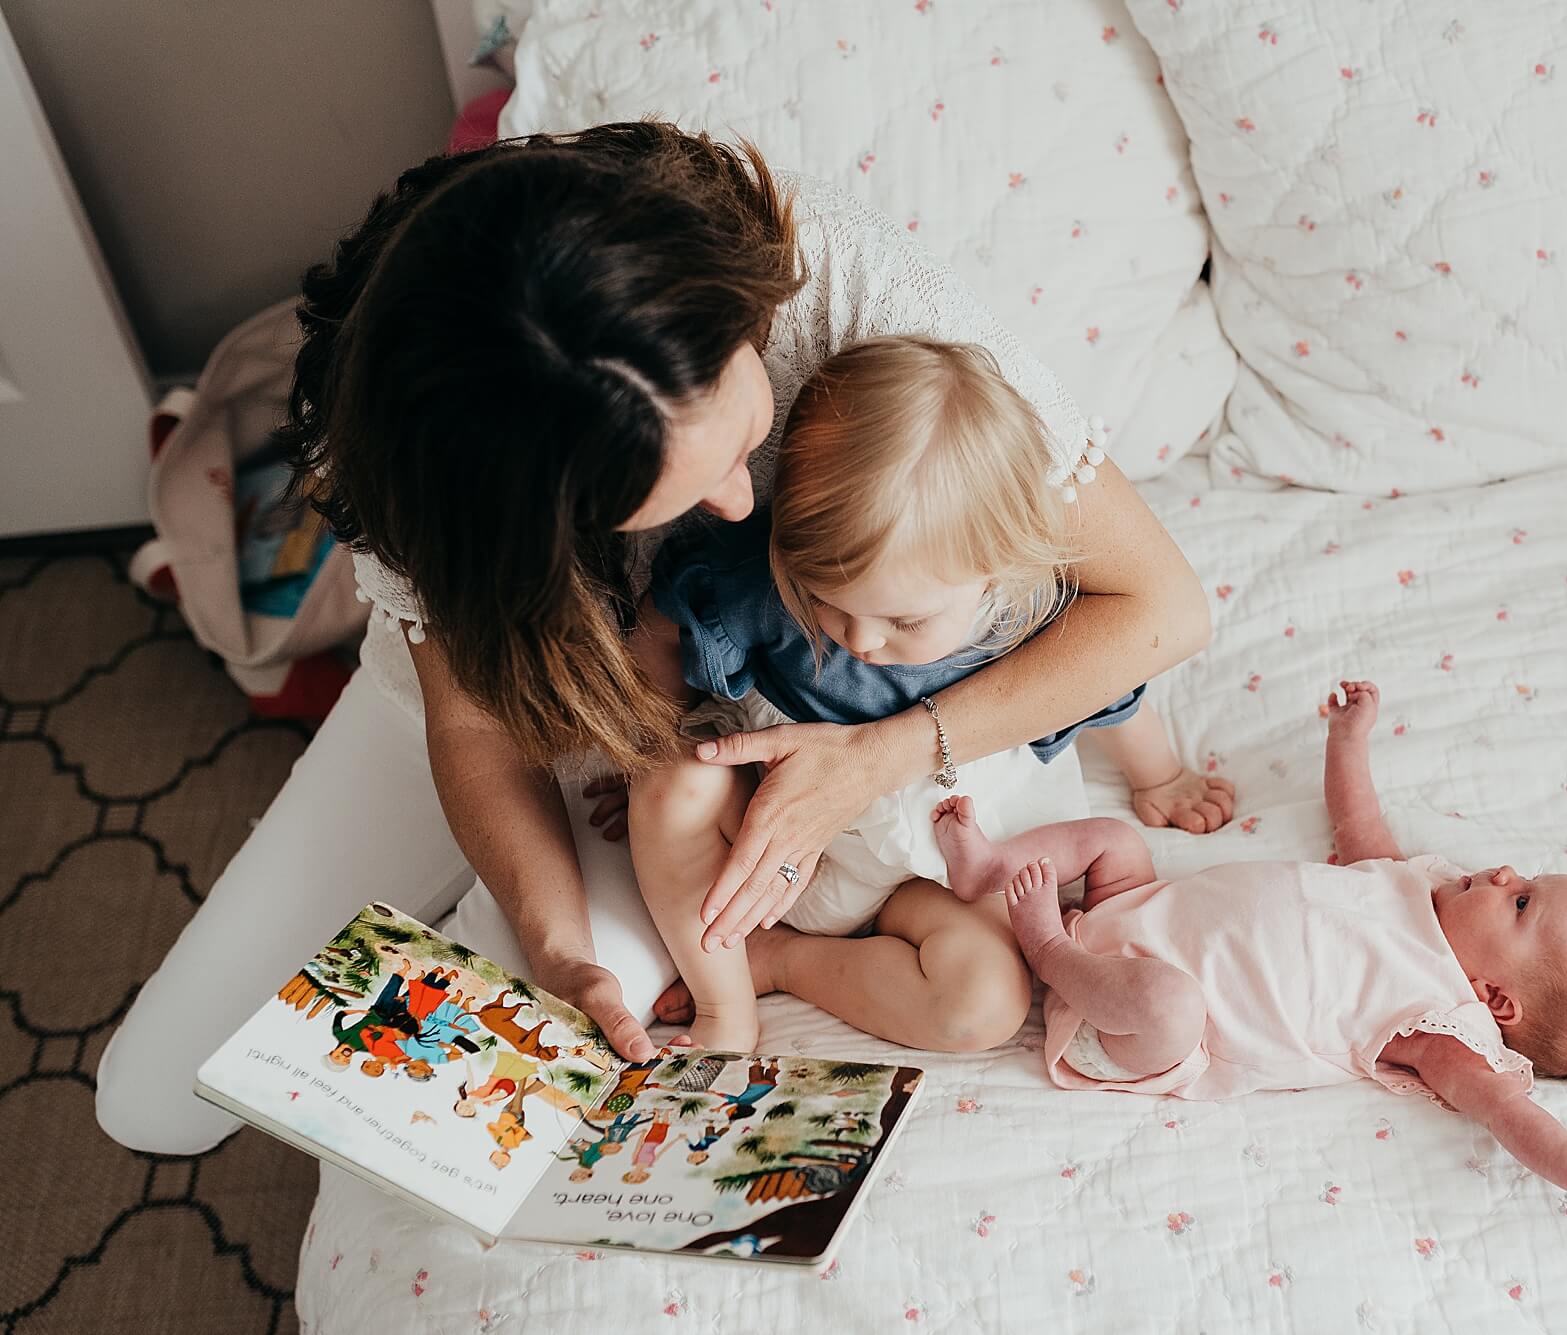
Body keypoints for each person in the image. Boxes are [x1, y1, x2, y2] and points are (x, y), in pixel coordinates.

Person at [94, 120, 1208, 1155]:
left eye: (741, 441)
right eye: (681, 487)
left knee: (548, 1094)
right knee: (152, 1102)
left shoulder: (833, 286)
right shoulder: (417, 470)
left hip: (755, 740)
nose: (738, 504)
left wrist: (885, 752)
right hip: (541, 715)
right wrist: (555, 942)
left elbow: (1160, 608)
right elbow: (475, 728)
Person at [630, 336, 1236, 1051]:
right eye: (828, 600)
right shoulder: (762, 589)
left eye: (904, 620)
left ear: (994, 569)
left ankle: (783, 963)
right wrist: (640, 742)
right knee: (671, 788)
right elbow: (661, 634)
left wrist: (1159, 774)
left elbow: (1106, 691)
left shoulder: (1025, 614)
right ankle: (723, 1004)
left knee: (983, 1002)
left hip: (933, 877)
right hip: (779, 842)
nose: (861, 639)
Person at [931, 681, 1567, 1235]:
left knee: (1171, 1005)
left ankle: (1046, 947)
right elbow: (1358, 821)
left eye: (1522, 905)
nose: (1508, 873)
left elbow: (1514, 1118)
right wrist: (1349, 739)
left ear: (1497, 998)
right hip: (1136, 906)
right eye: (1528, 878)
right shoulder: (1412, 881)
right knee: (1117, 840)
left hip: (1136, 1021)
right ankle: (986, 866)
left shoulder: (1442, 1027)